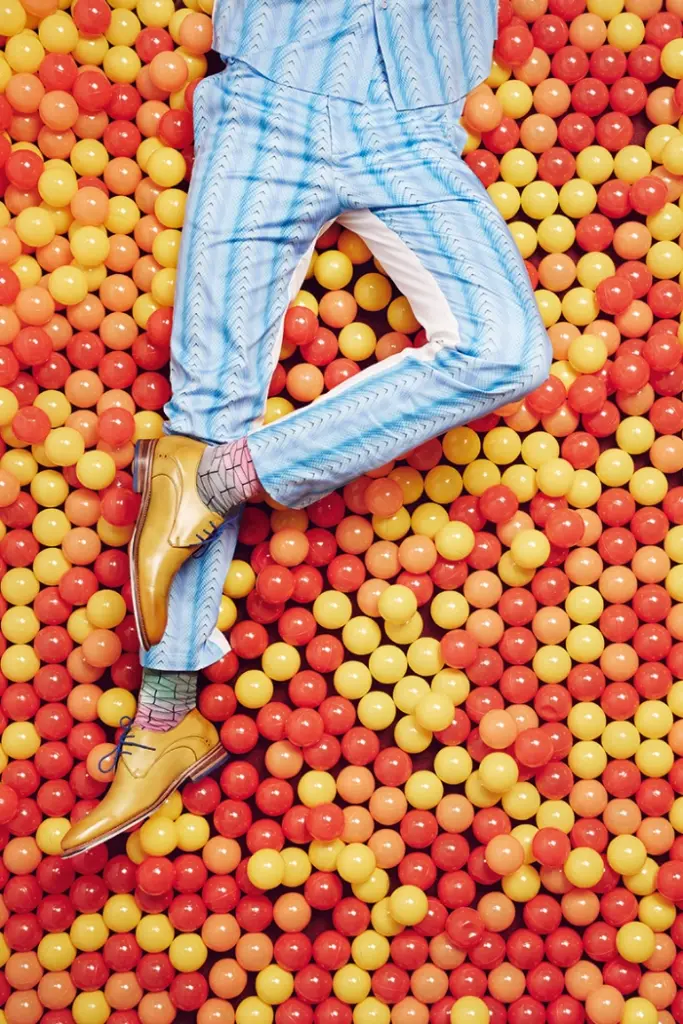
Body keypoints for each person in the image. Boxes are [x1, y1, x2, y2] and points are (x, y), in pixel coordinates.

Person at [61, 0, 551, 858]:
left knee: (505, 347)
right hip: (267, 99)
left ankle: (209, 482)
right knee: (209, 401)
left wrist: (228, 477)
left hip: (413, 121)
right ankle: (166, 723)